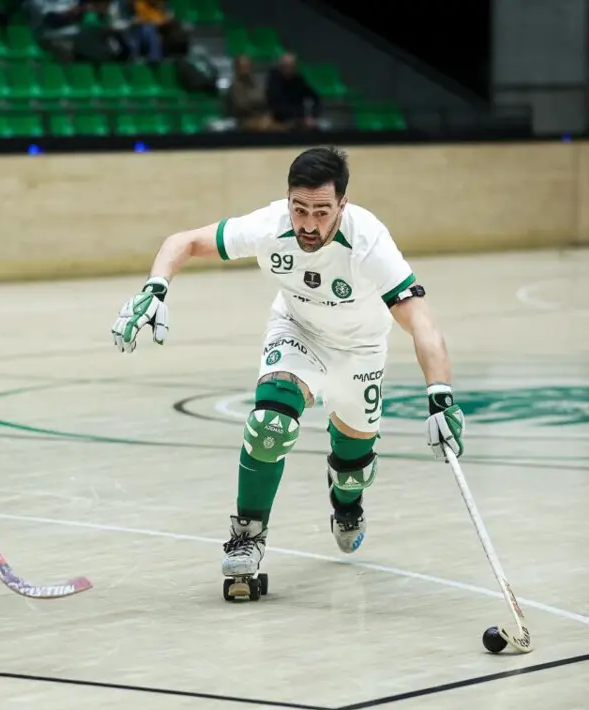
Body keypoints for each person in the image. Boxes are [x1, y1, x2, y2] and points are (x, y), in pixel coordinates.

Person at [110, 146, 464, 599]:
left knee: (354, 469)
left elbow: (422, 321)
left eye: (321, 211)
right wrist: (155, 288)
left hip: (360, 350)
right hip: (297, 330)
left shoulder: (369, 240)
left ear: (342, 206)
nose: (309, 224)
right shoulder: (270, 225)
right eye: (300, 209)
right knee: (268, 424)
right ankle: (247, 536)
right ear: (288, 201)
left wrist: (440, 393)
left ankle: (347, 502)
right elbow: (183, 242)